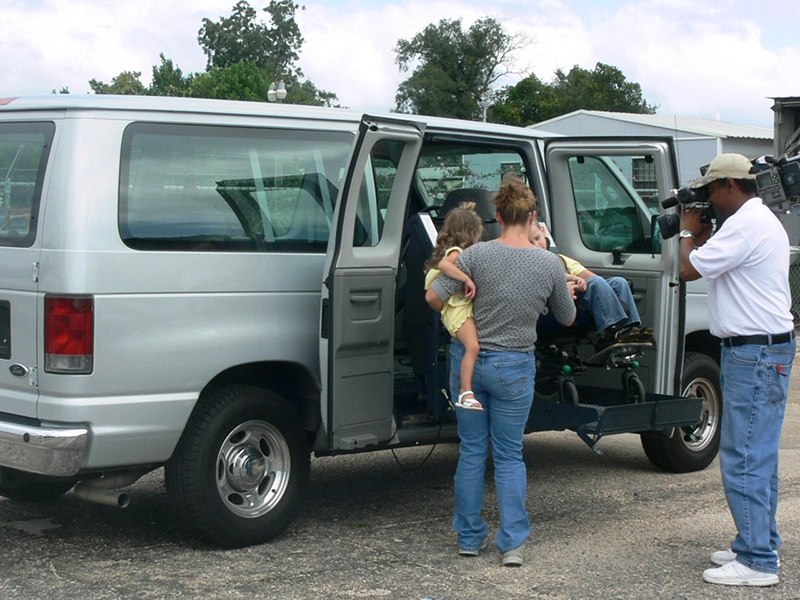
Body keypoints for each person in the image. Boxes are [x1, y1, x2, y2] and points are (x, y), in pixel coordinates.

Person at [425, 177, 576, 567]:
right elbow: (567, 316)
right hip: (515, 364)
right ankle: (511, 544)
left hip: (469, 364)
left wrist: (464, 289)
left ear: (496, 215)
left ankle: (470, 538)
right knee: (509, 455)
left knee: (472, 452)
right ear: (531, 217)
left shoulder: (475, 256)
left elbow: (433, 297)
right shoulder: (548, 262)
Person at [679, 153, 795, 587]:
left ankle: (757, 560)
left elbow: (689, 268)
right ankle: (758, 540)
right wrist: (707, 233)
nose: (708, 198)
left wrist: (690, 234)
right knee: (758, 456)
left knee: (744, 456)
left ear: (731, 185)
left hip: (754, 354)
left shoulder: (746, 225)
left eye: (711, 190)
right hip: (764, 351)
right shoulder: (756, 220)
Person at [529, 221, 652, 344]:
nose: (536, 245)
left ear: (543, 232)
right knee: (596, 283)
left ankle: (631, 328)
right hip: (563, 304)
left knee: (619, 282)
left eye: (537, 238)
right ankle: (610, 330)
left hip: (580, 293)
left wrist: (580, 280)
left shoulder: (560, 258)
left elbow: (589, 276)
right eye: (530, 242)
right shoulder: (532, 263)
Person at [424, 202, 484, 410]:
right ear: (470, 234)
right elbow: (444, 265)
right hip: (457, 310)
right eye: (478, 235)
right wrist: (466, 280)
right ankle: (466, 391)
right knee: (473, 346)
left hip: (457, 307)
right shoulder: (457, 252)